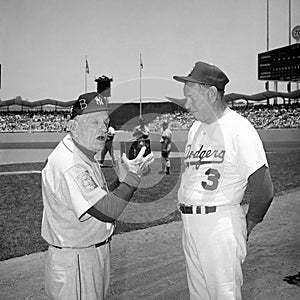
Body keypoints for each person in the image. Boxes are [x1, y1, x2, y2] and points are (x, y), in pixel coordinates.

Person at [171, 61, 274, 299]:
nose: (187, 105)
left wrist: (245, 226)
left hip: (219, 224)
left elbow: (264, 188)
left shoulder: (239, 128)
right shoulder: (196, 129)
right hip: (191, 225)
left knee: (223, 295)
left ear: (211, 93)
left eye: (192, 98)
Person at [41, 92, 154, 300]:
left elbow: (96, 200)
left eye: (105, 123)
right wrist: (132, 178)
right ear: (73, 126)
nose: (103, 129)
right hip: (77, 260)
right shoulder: (71, 162)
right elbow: (106, 210)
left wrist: (121, 182)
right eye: (94, 122)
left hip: (86, 254)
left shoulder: (83, 153)